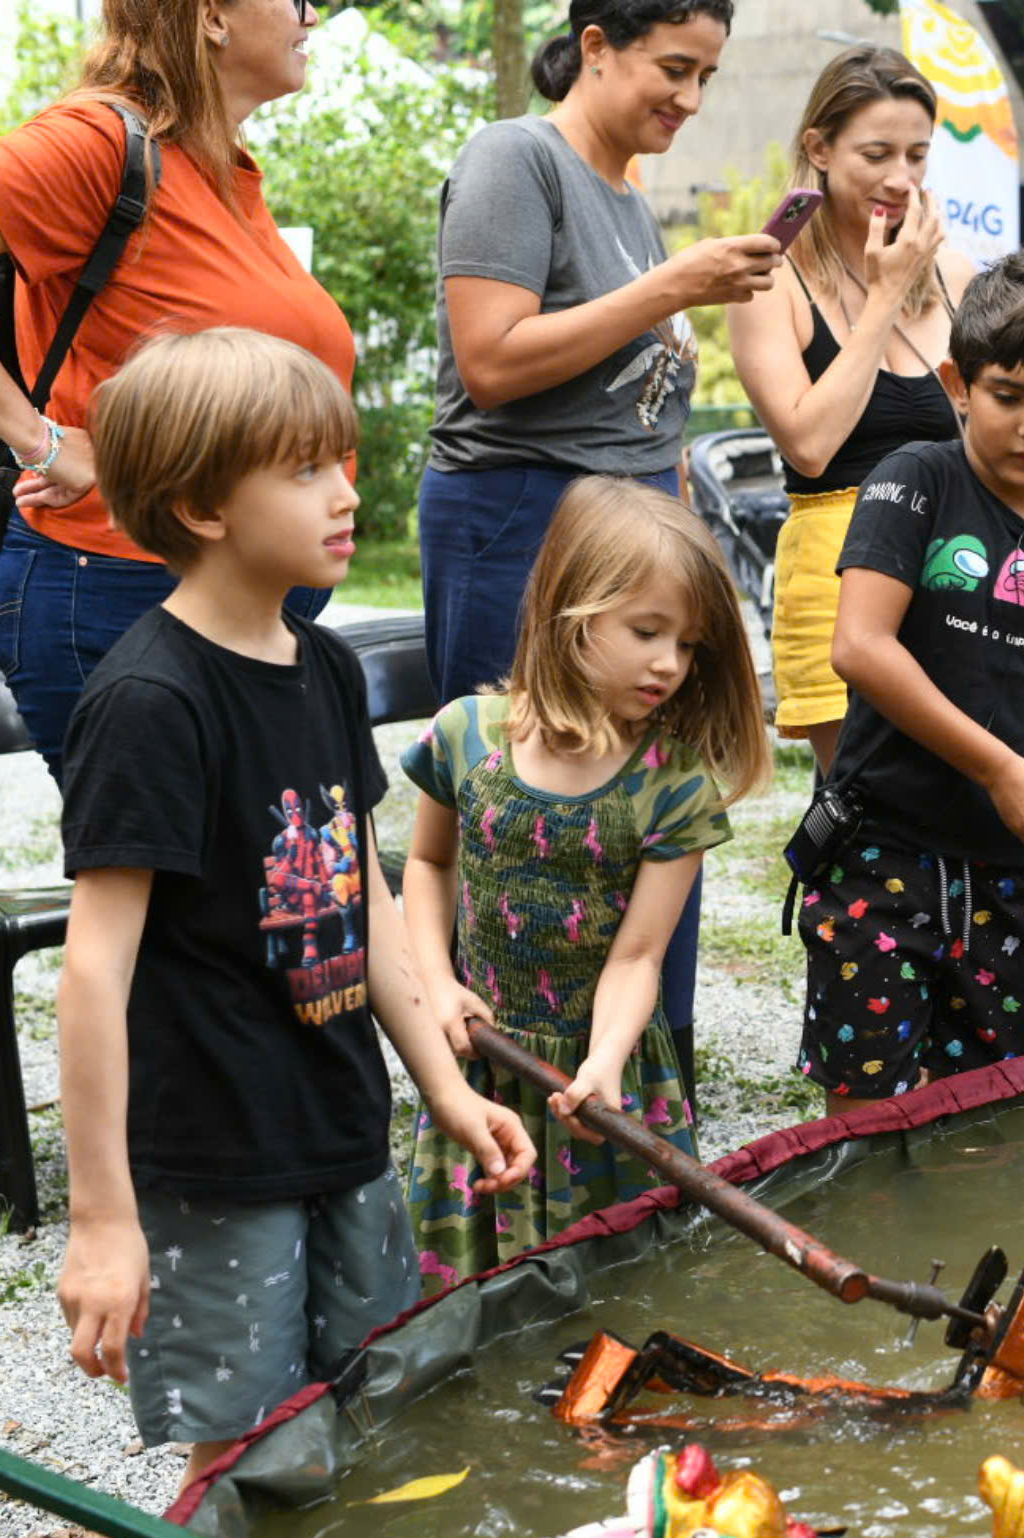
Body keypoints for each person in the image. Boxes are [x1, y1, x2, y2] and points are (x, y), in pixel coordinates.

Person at [53, 329, 534, 1485]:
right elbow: (91, 975)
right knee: (242, 1456)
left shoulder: (322, 668)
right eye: (306, 468)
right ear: (203, 507)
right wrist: (102, 1220)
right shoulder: (148, 702)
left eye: (342, 459)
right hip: (217, 1155)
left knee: (364, 1402)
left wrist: (446, 1086)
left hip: (337, 1124)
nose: (346, 490)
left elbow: (359, 900)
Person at [422, 0, 782, 1105]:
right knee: (521, 812)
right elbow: (490, 360)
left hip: (630, 540)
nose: (688, 98)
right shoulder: (515, 158)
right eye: (672, 68)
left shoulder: (627, 197)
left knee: (646, 806)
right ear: (593, 47)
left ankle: (638, 1070)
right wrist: (673, 290)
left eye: (706, 76)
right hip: (518, 522)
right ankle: (492, 1077)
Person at [0, 0, 357, 777]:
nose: (315, 17)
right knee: (171, 890)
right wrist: (42, 440)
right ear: (211, 17)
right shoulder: (100, 142)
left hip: (232, 592)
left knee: (255, 881)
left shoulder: (217, 165)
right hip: (121, 591)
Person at [401, 479, 768, 1290]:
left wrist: (603, 1062)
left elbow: (638, 958)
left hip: (605, 1080)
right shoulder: (466, 733)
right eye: (647, 631)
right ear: (575, 607)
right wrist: (436, 983)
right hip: (482, 1061)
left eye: (690, 645)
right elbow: (427, 866)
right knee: (473, 1290)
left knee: (619, 1292)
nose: (670, 663)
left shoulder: (673, 784)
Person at [796, 251, 1024, 1115]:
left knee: (979, 1116)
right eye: (1008, 394)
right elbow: (860, 647)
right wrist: (1003, 768)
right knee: (861, 1120)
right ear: (958, 383)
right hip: (879, 856)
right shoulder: (916, 479)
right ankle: (861, 1252)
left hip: (1005, 878)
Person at [731, 45, 972, 774]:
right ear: (820, 149)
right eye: (877, 154)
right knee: (865, 824)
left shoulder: (955, 273)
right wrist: (886, 294)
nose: (901, 180)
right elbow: (809, 443)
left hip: (954, 570)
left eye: (918, 155)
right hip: (838, 576)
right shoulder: (770, 281)